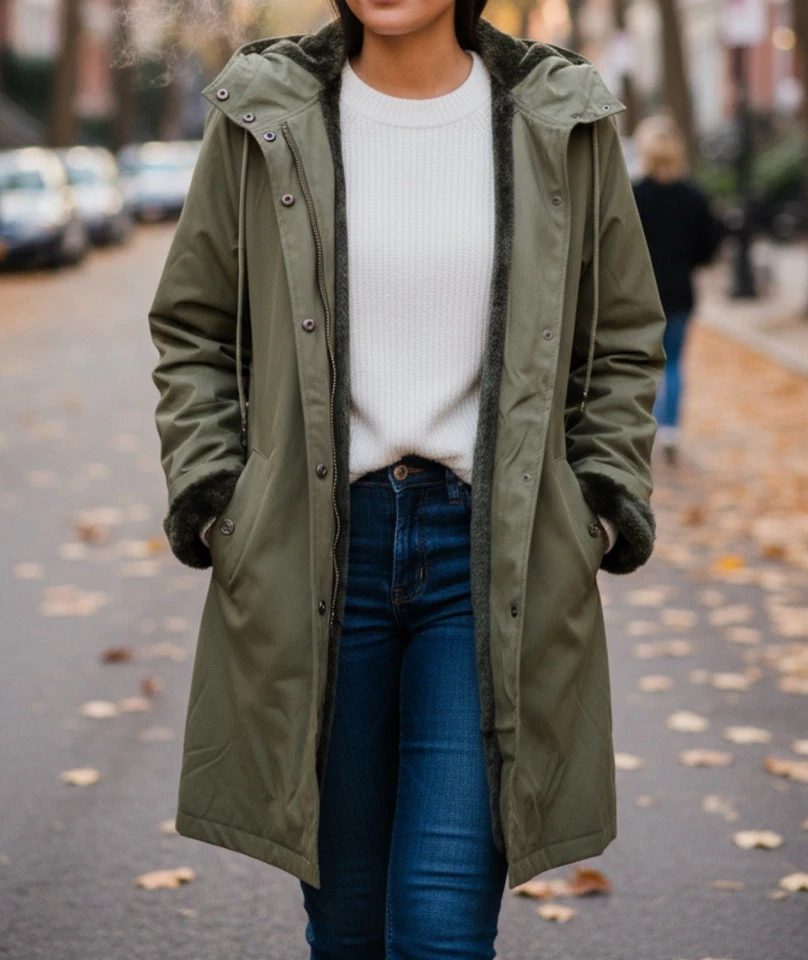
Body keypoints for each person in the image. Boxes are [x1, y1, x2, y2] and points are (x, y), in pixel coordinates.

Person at [147, 1, 666, 955]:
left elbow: (624, 336)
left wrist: (596, 503)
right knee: (344, 927)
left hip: (489, 561)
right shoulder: (265, 113)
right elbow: (194, 328)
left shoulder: (559, 117)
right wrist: (218, 495)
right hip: (314, 555)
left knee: (438, 928)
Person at [632, 114, 725, 465]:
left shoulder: (634, 196)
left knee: (644, 366)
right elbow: (709, 247)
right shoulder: (694, 196)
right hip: (680, 293)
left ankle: (644, 429)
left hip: (641, 296)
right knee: (674, 363)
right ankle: (670, 428)